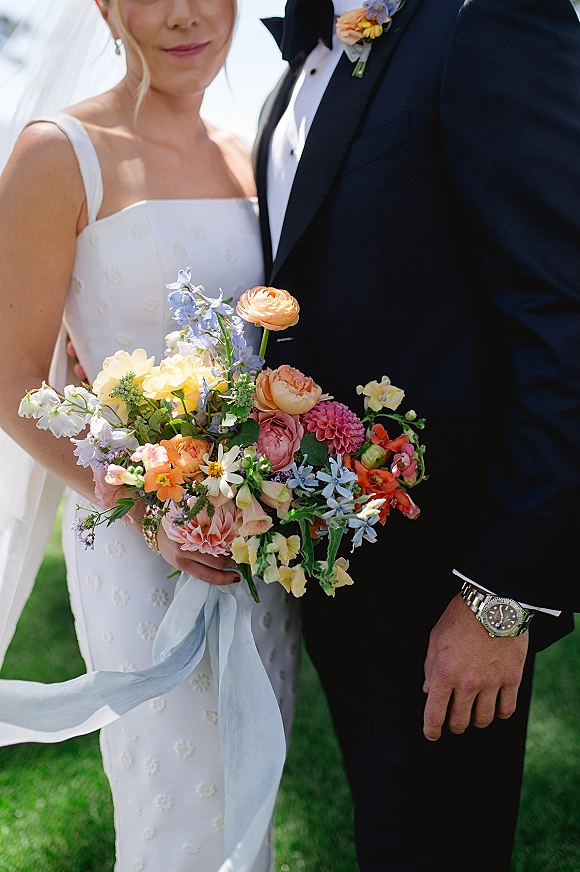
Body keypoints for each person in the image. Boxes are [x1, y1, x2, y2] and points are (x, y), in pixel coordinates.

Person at [254, 0, 580, 870]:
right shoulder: (292, 73)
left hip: (454, 582)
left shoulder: (490, 19)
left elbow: (561, 317)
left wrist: (499, 597)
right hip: (339, 568)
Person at [0, 2, 300, 870]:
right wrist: (147, 502)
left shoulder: (257, 155)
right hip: (132, 541)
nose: (182, 15)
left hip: (254, 535)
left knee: (251, 790)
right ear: (102, 5)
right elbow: (14, 381)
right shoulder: (59, 155)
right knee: (180, 804)